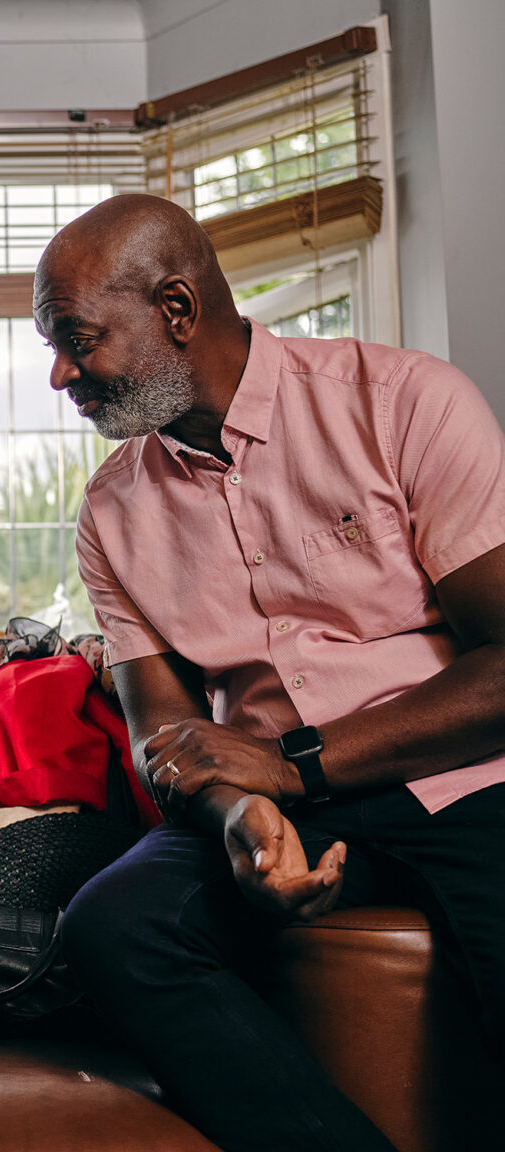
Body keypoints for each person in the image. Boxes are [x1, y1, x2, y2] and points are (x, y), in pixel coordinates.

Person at [36, 193, 505, 1152]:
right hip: (272, 797)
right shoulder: (111, 512)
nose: (60, 374)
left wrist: (290, 767)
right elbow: (163, 735)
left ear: (175, 309)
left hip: (459, 776)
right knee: (114, 929)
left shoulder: (404, 401)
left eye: (78, 340)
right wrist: (240, 818)